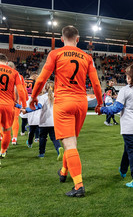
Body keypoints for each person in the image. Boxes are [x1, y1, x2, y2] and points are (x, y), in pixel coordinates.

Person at [30, 25, 103, 197]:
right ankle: (63, 171)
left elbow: (41, 79)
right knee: (71, 141)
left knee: (69, 144)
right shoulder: (87, 57)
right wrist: (99, 103)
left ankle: (79, 186)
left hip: (63, 102)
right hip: (81, 102)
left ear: (61, 38)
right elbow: (97, 84)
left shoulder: (55, 53)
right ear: (78, 39)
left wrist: (33, 97)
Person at [99, 64, 133, 189]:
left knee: (132, 151)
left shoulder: (125, 90)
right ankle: (122, 170)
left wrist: (102, 109)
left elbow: (116, 108)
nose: (126, 76)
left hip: (129, 125)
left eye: (127, 74)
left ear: (130, 76)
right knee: (128, 148)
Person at [25, 81, 63, 159]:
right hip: (54, 121)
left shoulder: (43, 97)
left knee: (42, 138)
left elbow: (38, 106)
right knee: (54, 138)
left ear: (45, 88)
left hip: (44, 122)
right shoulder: (57, 96)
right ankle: (59, 149)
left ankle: (41, 154)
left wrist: (27, 110)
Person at [0, 54, 27, 159]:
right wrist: (24, 106)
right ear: (7, 63)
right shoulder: (15, 73)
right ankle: (3, 151)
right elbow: (21, 90)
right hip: (8, 105)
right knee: (7, 129)